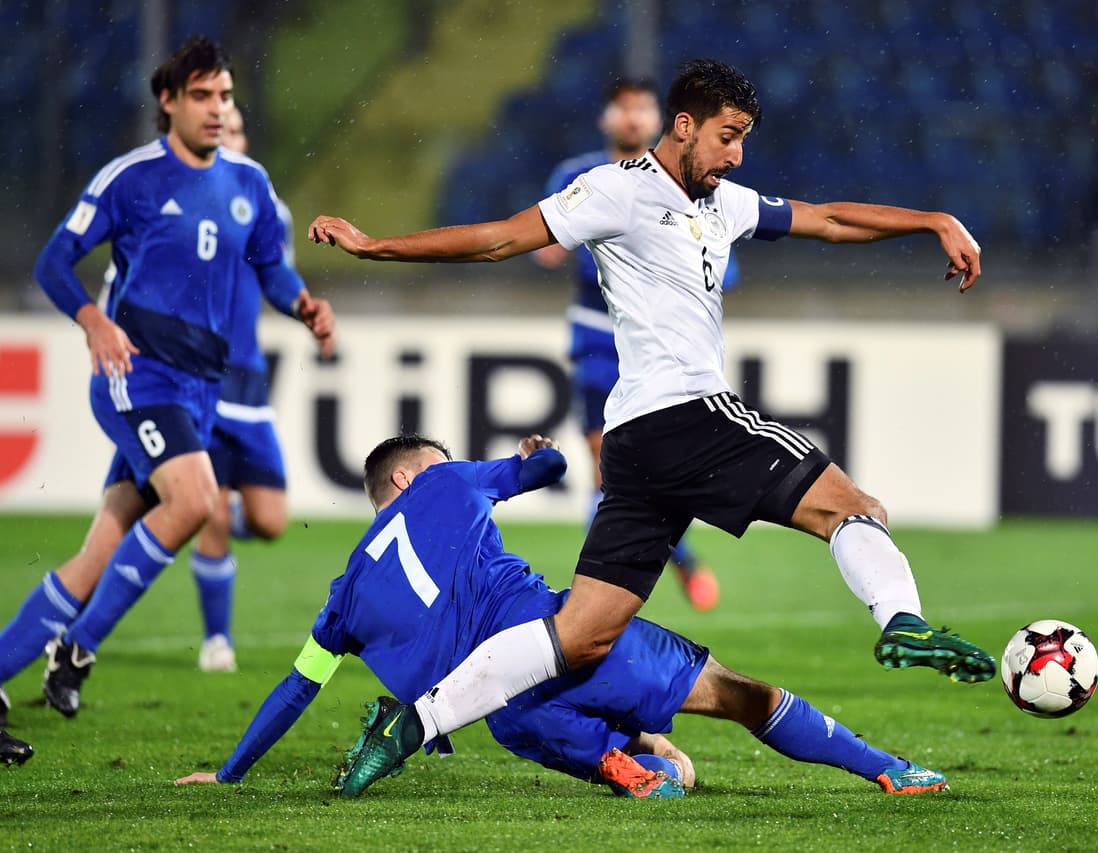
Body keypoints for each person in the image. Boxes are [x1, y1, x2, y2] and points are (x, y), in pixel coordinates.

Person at [308, 59, 993, 789]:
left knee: (579, 635)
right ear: (685, 125)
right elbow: (503, 237)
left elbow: (824, 218)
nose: (736, 156)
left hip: (634, 446)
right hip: (689, 414)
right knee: (856, 510)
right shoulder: (617, 189)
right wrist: (376, 246)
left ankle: (412, 722)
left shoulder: (724, 202)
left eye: (745, 140)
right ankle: (901, 621)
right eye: (728, 137)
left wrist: (932, 220)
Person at [174, 434, 948, 799]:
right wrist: (534, 453)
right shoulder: (443, 484)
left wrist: (231, 770)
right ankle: (889, 768)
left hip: (507, 717)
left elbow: (296, 687)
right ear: (410, 476)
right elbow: (548, 470)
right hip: (567, 638)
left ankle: (629, 763)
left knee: (579, 734)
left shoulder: (343, 595)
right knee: (743, 696)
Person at [0, 37, 334, 721]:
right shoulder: (132, 178)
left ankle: (22, 659)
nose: (217, 110)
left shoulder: (248, 184)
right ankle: (83, 645)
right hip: (138, 373)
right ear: (169, 101)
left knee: (104, 545)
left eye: (227, 97)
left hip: (200, 388)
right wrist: (94, 320)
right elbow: (54, 261)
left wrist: (303, 304)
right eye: (203, 97)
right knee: (193, 500)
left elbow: (272, 267)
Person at [532, 77, 722, 612]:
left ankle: (651, 562)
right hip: (596, 334)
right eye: (624, 109)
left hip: (660, 341)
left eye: (642, 109)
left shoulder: (682, 183)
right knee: (606, 466)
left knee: (652, 466)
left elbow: (717, 261)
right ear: (607, 119)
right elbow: (541, 239)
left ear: (658, 119)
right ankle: (667, 567)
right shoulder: (579, 176)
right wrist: (554, 248)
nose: (634, 118)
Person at [187, 104, 312, 673]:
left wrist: (304, 307)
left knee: (270, 520)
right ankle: (217, 640)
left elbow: (276, 278)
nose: (230, 138)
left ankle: (186, 519)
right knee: (211, 510)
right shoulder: (181, 197)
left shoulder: (267, 206)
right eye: (223, 129)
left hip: (249, 378)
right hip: (197, 377)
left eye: (239, 128)